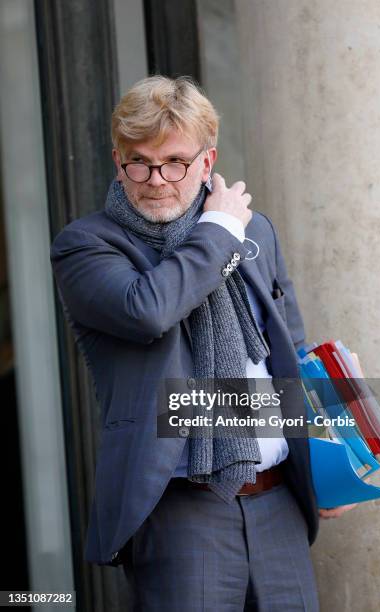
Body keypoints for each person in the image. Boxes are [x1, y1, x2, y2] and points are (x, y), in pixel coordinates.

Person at [50, 75, 356, 611]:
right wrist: (216, 230)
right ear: (118, 160)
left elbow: (293, 354)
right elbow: (150, 310)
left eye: (175, 162)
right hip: (180, 510)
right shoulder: (88, 245)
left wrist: (332, 464)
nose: (155, 180)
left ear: (207, 162)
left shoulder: (254, 232)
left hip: (280, 500)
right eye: (137, 162)